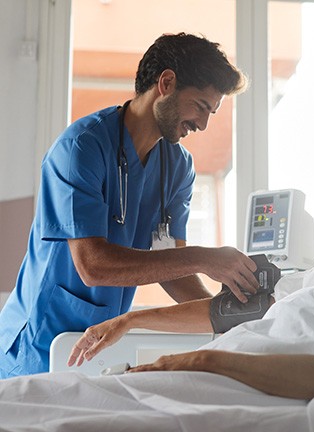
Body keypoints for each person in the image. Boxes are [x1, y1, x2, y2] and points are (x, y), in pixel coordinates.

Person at [67, 141, 314, 400]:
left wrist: (199, 360)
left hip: (209, 383)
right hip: (193, 378)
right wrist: (130, 320)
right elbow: (230, 310)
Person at [0, 33, 261, 379]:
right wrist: (208, 257)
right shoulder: (81, 149)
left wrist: (223, 317)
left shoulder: (177, 167)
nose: (202, 124)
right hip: (39, 344)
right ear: (166, 83)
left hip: (98, 346)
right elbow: (93, 266)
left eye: (210, 112)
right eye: (199, 106)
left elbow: (175, 270)